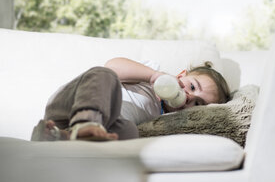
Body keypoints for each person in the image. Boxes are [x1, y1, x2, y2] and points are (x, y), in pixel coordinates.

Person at [31, 57, 230, 141]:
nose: (189, 96)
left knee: (128, 131)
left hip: (99, 125)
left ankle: (59, 138)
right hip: (72, 101)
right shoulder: (149, 73)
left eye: (197, 104)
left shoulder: (164, 119)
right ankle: (85, 122)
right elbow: (113, 66)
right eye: (193, 86)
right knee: (104, 75)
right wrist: (153, 76)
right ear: (180, 75)